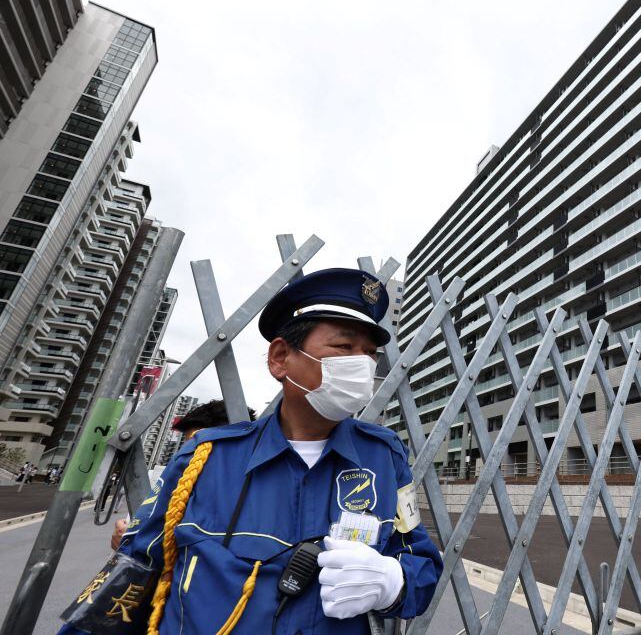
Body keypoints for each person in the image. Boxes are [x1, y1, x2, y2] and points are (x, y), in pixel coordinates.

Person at [61, 268, 442, 634]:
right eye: (343, 347)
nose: (361, 365)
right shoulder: (205, 458)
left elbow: (422, 566)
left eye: (370, 354)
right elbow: (132, 571)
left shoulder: (384, 458)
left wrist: (395, 583)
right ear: (280, 359)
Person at [109, 400, 247, 550]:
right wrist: (128, 536)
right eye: (188, 446)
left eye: (199, 448)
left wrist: (134, 546)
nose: (189, 456)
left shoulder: (241, 501)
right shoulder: (175, 480)